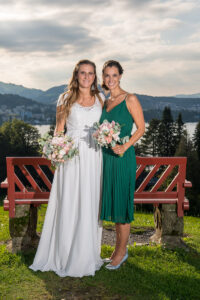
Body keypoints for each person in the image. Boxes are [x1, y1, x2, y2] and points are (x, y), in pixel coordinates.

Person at [29, 59, 105, 277]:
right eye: (83, 73)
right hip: (71, 156)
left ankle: (87, 254)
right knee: (69, 200)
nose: (87, 77)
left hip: (93, 156)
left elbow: (105, 125)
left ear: (94, 77)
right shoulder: (65, 98)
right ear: (76, 75)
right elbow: (59, 131)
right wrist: (57, 151)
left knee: (90, 201)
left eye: (91, 73)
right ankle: (62, 254)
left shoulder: (101, 98)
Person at [100, 60, 145, 270]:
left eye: (114, 75)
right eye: (107, 76)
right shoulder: (105, 102)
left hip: (122, 158)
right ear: (103, 77)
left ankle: (121, 252)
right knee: (114, 205)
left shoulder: (130, 98)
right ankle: (117, 250)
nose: (111, 80)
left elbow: (141, 128)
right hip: (107, 158)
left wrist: (125, 146)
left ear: (120, 76)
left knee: (122, 206)